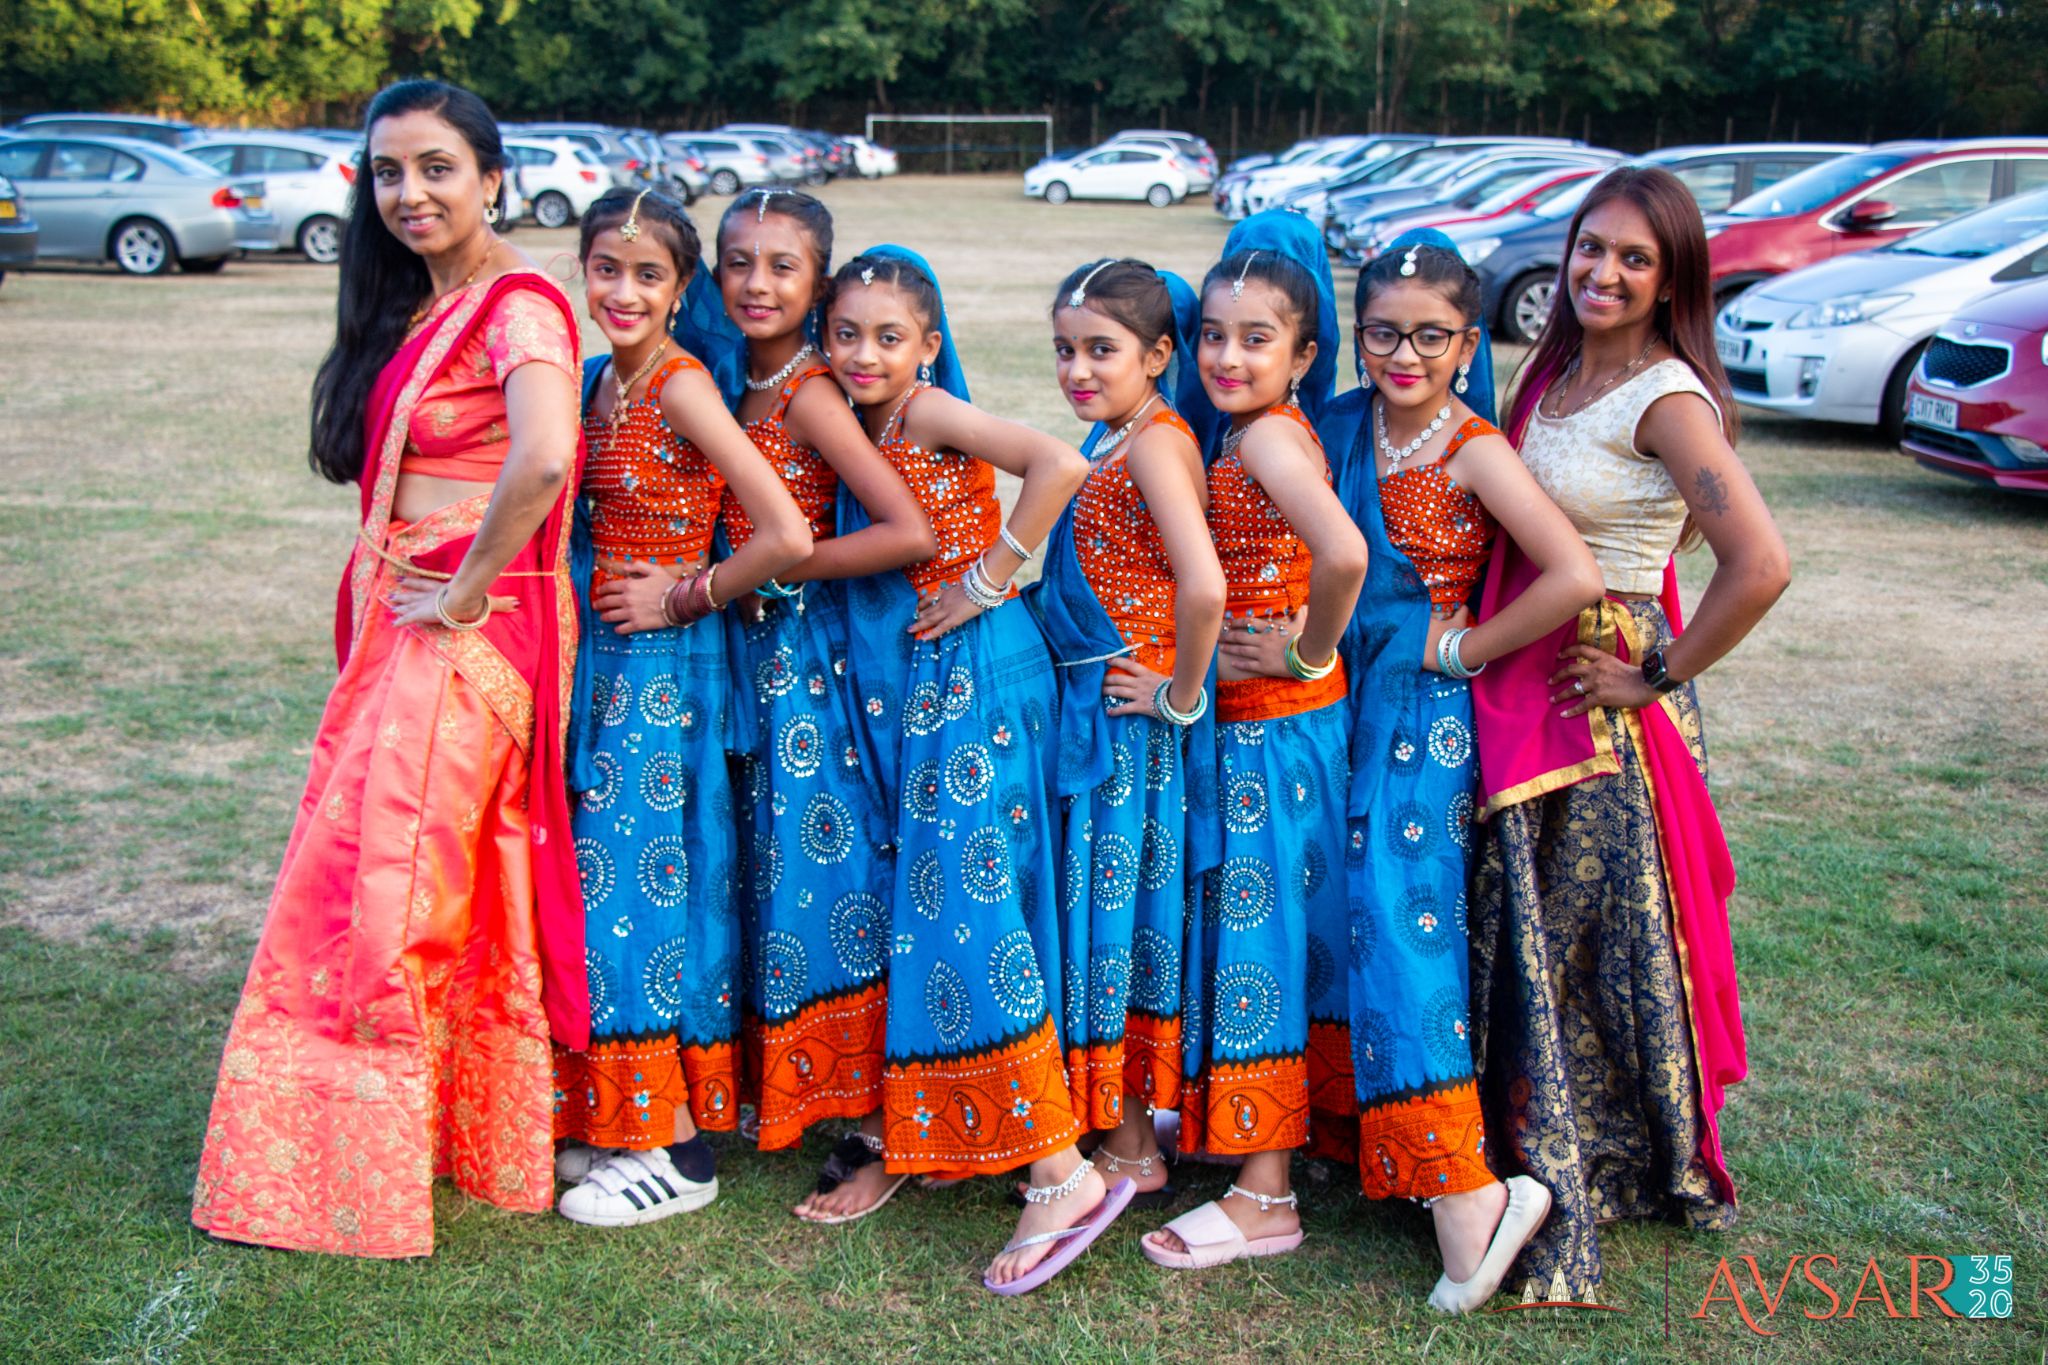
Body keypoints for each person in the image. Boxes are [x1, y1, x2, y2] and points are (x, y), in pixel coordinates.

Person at [191, 79, 586, 1258]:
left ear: (493, 176)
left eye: (436, 168)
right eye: (388, 173)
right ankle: (456, 1134)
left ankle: (341, 1162)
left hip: (462, 630)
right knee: (422, 875)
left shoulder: (519, 305)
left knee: (387, 884)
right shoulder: (429, 302)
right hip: (404, 618)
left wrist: (461, 590)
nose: (409, 193)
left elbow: (547, 455)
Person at [1469, 165, 1791, 1302]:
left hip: (1595, 695)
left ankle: (1597, 1159)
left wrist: (1651, 675)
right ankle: (1508, 1142)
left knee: (1591, 935)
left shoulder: (1665, 399)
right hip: (1517, 672)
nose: (1601, 272)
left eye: (1632, 258)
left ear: (1670, 281)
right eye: (1588, 247)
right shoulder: (1551, 367)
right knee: (1526, 922)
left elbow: (1758, 567)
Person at [819, 247, 1135, 1294]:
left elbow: (1058, 463)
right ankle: (970, 1133)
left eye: (889, 336)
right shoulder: (855, 424)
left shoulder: (924, 413)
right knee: (952, 903)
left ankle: (1060, 1170)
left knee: (974, 908)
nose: (866, 355)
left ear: (926, 342)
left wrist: (991, 575)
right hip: (933, 681)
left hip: (981, 672)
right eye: (847, 334)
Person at [1315, 230, 1602, 1312]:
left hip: (1422, 718)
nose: (1401, 355)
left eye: (1429, 336)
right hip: (1335, 698)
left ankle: (1469, 1192)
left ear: (1466, 340)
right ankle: (1361, 1140)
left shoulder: (1472, 446)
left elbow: (1567, 574)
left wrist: (1462, 649)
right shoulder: (1334, 427)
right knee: (1338, 912)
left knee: (1402, 929)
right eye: (1381, 332)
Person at [549, 186, 811, 1227]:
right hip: (607, 667)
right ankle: (619, 1113)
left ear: (679, 287)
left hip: (667, 669)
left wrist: (688, 591)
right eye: (604, 268)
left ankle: (678, 1147)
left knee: (645, 892)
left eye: (646, 274)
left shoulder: (681, 384)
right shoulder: (596, 382)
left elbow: (785, 534)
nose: (622, 290)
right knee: (603, 885)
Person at [681, 188, 936, 1188]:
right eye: (737, 262)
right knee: (767, 870)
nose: (756, 283)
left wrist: (777, 568)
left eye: (782, 266)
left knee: (830, 880)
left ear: (818, 282)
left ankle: (875, 1125)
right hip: (742, 663)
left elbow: (904, 529)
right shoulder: (721, 378)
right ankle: (781, 1081)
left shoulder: (810, 392)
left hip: (809, 669)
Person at [1141, 211, 1368, 1271]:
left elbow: (1343, 552)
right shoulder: (1245, 432)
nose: (1227, 357)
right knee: (1252, 934)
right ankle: (1253, 1144)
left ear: (1303, 354)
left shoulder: (1271, 436)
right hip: (1256, 737)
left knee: (1258, 943)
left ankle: (1263, 1194)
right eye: (1211, 335)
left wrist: (1305, 655)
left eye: (1255, 338)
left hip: (1274, 739)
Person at [1034, 258, 1225, 1208]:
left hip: (1131, 731)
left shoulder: (1154, 442)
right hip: (1096, 717)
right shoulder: (1114, 433)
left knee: (1117, 923)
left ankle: (1127, 1140)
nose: (1078, 369)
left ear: (1158, 353)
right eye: (1065, 349)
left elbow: (1205, 586)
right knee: (1094, 915)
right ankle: (1113, 1117)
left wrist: (1178, 694)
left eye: (1101, 350)